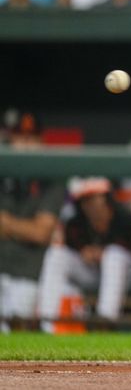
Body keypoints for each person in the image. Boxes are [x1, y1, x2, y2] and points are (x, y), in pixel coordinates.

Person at [37, 177, 131, 325]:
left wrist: (104, 253)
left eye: (94, 197)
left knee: (114, 255)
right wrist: (85, 253)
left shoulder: (126, 220)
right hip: (97, 276)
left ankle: (104, 323)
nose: (90, 204)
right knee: (56, 255)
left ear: (106, 198)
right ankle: (47, 322)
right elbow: (70, 250)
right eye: (85, 199)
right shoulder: (76, 224)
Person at [0, 112, 64, 331]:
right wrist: (23, 227)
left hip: (26, 273)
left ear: (41, 140)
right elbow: (33, 229)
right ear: (10, 139)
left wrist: (6, 223)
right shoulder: (3, 172)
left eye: (31, 137)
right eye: (19, 136)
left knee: (14, 340)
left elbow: (41, 233)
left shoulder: (51, 178)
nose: (25, 143)